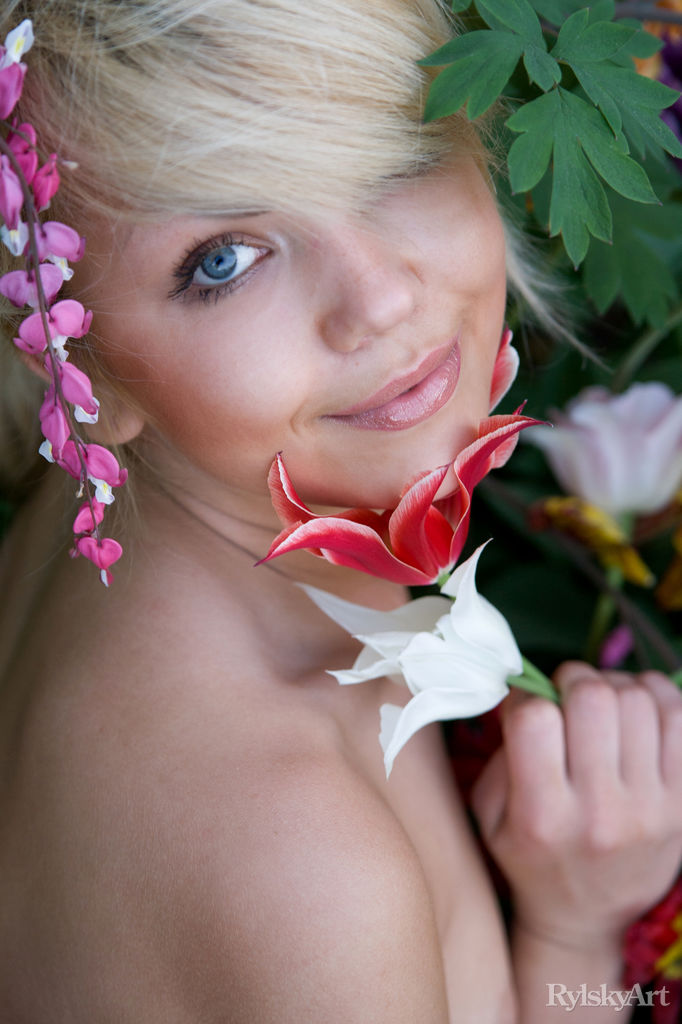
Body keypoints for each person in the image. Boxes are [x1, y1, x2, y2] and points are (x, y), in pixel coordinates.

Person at [1, 1, 681, 1021]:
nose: (379, 299)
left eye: (396, 149)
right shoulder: (304, 866)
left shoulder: (102, 510)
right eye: (222, 260)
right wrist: (574, 925)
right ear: (78, 367)